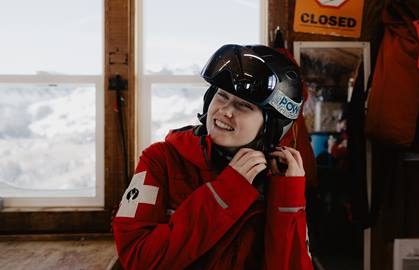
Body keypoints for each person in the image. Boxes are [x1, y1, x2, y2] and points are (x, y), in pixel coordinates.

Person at [112, 44, 314, 270]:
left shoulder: (276, 178)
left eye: (243, 106)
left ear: (271, 127)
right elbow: (138, 259)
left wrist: (288, 197)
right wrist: (226, 192)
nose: (225, 111)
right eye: (222, 96)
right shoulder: (161, 160)